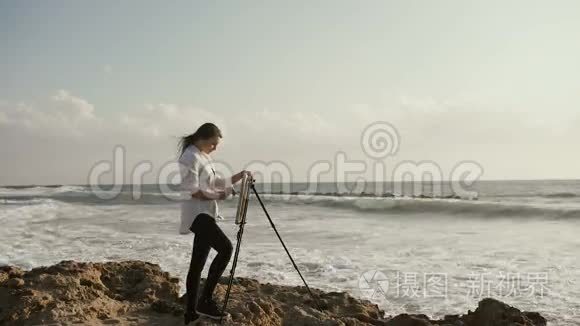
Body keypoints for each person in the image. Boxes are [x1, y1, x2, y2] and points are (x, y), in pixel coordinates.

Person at [177, 122, 251, 324]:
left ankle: (190, 314)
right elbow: (193, 191)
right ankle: (205, 301)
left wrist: (239, 176)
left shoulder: (203, 156)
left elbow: (216, 181)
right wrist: (221, 195)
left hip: (206, 214)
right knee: (226, 248)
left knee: (197, 264)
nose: (215, 148)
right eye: (213, 143)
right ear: (203, 138)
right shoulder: (189, 158)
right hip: (196, 215)